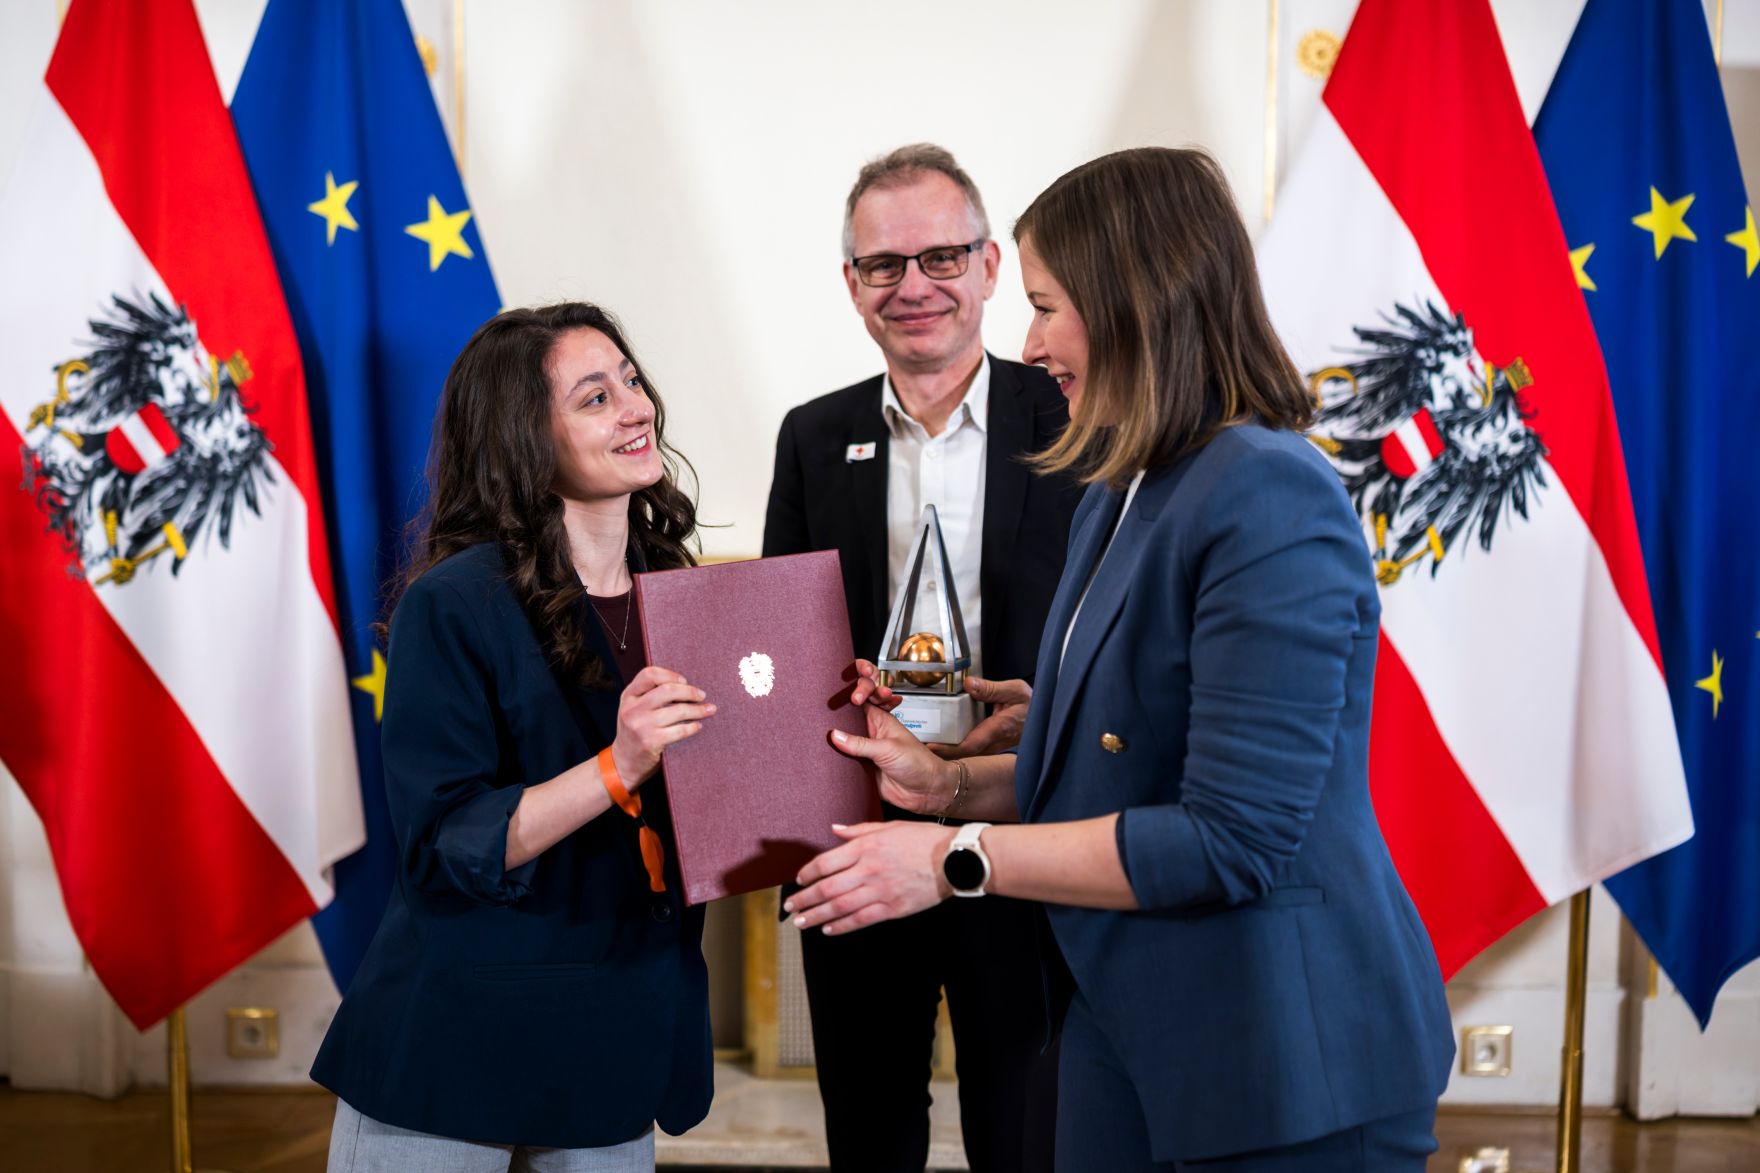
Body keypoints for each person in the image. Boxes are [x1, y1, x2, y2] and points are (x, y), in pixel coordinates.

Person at [789, 148, 1456, 1172]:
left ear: (1134, 302)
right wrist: (954, 779)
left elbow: (1227, 839)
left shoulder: (1267, 496)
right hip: (1122, 1028)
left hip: (1279, 1054)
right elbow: (1122, 759)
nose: (1029, 339)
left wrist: (950, 855)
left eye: (1049, 305)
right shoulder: (1119, 486)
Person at [311, 302, 717, 1172]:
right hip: (460, 1042)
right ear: (525, 439)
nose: (637, 407)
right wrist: (618, 765)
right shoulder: (452, 601)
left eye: (632, 381)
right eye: (595, 397)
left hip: (618, 1038)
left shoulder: (682, 594)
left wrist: (823, 722)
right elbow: (449, 840)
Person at [762, 144, 1081, 1171]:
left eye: (939, 257)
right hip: (859, 839)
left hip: (1026, 829)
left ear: (991, 267)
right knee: (867, 1134)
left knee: (1026, 1133)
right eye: (881, 265)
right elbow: (777, 650)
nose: (913, 288)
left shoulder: (1075, 417)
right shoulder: (813, 439)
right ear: (850, 286)